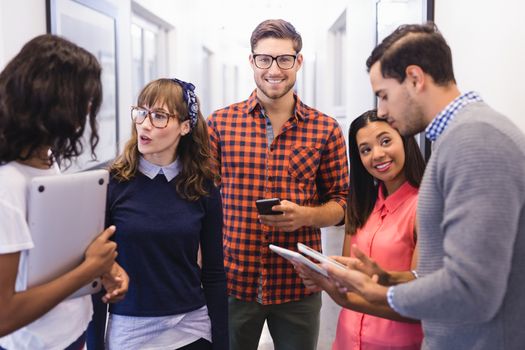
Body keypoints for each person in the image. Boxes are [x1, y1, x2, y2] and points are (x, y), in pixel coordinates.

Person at [323, 22, 525, 349]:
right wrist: (385, 276)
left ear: (415, 79)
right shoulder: (457, 138)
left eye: (384, 96)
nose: (382, 111)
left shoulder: (476, 141)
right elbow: (444, 270)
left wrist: (382, 293)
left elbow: (473, 290)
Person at [207, 19, 349, 350]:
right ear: (252, 61)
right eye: (265, 59)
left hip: (298, 285)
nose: (274, 69)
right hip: (234, 282)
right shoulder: (219, 124)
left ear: (298, 61)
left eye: (284, 59)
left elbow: (342, 204)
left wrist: (306, 216)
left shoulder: (325, 129)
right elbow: (201, 201)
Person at [0, 34, 128, 350]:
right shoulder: (7, 183)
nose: (87, 111)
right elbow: (4, 315)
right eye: (82, 99)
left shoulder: (44, 159)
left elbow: (48, 253)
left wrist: (105, 267)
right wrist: (89, 269)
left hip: (70, 336)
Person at [88, 78, 228, 350]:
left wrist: (222, 343)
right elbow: (96, 272)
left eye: (159, 116)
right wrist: (94, 345)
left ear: (185, 127)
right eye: (141, 112)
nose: (145, 124)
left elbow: (213, 273)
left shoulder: (202, 186)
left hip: (191, 325)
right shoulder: (112, 184)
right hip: (130, 328)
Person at [295, 109, 425, 350]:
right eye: (365, 150)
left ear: (404, 140)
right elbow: (347, 269)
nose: (377, 154)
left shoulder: (424, 206)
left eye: (385, 141)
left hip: (398, 342)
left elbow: (421, 293)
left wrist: (334, 290)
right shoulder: (362, 205)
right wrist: (321, 272)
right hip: (347, 340)